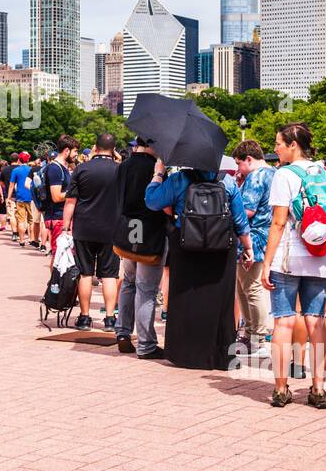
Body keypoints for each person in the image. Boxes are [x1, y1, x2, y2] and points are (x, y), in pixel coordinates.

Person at [145, 152, 253, 369]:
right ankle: (221, 355)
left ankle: (186, 354)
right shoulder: (228, 181)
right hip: (222, 248)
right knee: (220, 303)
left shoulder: (179, 179)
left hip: (187, 246)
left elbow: (152, 201)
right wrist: (248, 247)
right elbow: (239, 219)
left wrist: (158, 174)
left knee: (186, 299)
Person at [260, 123, 326, 408]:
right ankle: (318, 388)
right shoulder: (322, 172)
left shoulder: (284, 175)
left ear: (293, 145)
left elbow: (279, 222)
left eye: (279, 143)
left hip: (288, 258)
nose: (276, 148)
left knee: (283, 321)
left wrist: (266, 262)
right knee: (316, 320)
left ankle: (281, 388)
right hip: (319, 257)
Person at [61, 134, 122, 331]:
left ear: (95, 147)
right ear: (113, 150)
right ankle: (110, 319)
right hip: (112, 229)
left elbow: (71, 201)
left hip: (84, 227)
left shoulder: (81, 169)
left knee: (85, 274)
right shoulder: (120, 170)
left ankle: (85, 317)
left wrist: (65, 226)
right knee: (109, 276)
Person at [113, 138, 167, 358]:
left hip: (127, 232)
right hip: (150, 234)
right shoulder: (155, 169)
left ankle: (123, 332)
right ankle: (146, 344)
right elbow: (161, 202)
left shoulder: (123, 166)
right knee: (146, 289)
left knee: (129, 282)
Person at [233, 139, 274, 358]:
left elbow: (245, 211)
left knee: (251, 289)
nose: (239, 168)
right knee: (246, 288)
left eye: (239, 163)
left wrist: (235, 191)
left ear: (249, 159)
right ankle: (251, 335)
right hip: (267, 236)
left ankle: (256, 338)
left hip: (254, 237)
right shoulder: (273, 173)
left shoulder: (256, 177)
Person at [43, 137, 78, 270]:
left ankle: (57, 285)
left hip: (60, 217)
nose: (76, 155)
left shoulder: (61, 167)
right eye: (75, 151)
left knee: (62, 254)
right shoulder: (55, 168)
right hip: (57, 217)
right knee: (59, 254)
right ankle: (55, 286)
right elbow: (56, 196)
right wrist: (76, 193)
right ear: (67, 150)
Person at [7, 151, 35, 248]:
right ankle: (32, 239)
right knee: (31, 220)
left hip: (20, 198)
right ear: (28, 160)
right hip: (31, 197)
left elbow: (11, 186)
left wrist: (8, 197)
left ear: (19, 159)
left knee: (21, 220)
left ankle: (22, 240)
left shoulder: (16, 171)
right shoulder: (32, 169)